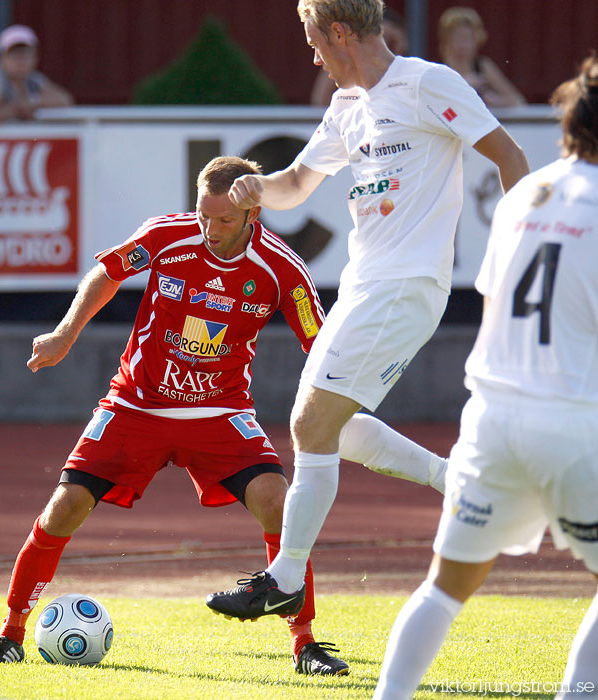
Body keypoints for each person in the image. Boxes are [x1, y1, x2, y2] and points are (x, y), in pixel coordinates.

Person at [205, 0, 529, 623]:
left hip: (405, 286)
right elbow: (296, 184)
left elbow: (510, 157)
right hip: (362, 286)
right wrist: (255, 187)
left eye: (313, 40)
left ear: (340, 32)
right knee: (331, 427)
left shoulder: (428, 83)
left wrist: (523, 255)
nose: (313, 54)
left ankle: (285, 577)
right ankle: (458, 481)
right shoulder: (345, 107)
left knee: (309, 423)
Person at [0, 155, 362, 674]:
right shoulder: (166, 237)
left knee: (279, 504)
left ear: (253, 214)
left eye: (224, 220)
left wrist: (342, 398)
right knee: (64, 507)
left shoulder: (282, 269)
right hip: (136, 403)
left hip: (221, 411)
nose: (210, 229)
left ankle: (306, 645)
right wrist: (66, 333)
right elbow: (107, 272)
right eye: (204, 215)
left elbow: (319, 344)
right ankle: (11, 632)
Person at [373, 54, 598, 699]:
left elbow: (500, 300)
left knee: (444, 587)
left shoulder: (529, 192)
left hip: (492, 418)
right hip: (573, 422)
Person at [0, 24, 73, 126]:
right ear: (1, 58)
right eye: (14, 55)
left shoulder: (33, 80)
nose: (20, 60)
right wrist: (15, 109)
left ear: (35, 57)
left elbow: (64, 100)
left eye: (25, 54)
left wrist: (31, 102)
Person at [310, 6, 407, 105]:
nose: (380, 47)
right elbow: (320, 99)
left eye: (387, 42)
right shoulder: (342, 98)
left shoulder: (413, 76)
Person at [438, 7, 526, 109]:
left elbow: (518, 100)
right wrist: (463, 86)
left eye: (467, 38)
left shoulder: (483, 67)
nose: (462, 45)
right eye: (457, 38)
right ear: (446, 40)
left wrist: (495, 100)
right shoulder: (439, 69)